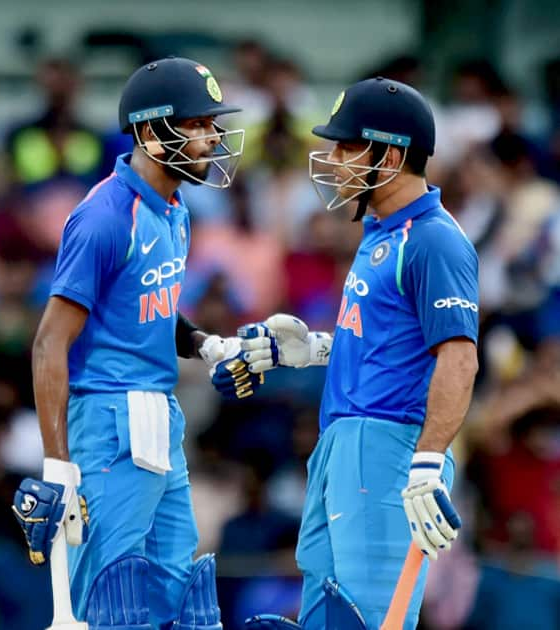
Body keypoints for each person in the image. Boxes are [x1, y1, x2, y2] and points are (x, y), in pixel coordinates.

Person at [11, 56, 263, 630]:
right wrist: (59, 467)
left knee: (177, 594)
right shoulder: (102, 216)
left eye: (211, 124)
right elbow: (50, 343)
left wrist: (202, 344)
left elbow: (150, 305)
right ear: (151, 131)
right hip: (106, 420)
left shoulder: (175, 210)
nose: (212, 138)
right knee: (108, 597)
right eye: (197, 124)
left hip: (160, 416)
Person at [240, 77, 480, 629]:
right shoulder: (380, 233)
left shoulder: (434, 239)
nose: (334, 159)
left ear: (391, 154)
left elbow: (459, 358)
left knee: (369, 618)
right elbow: (390, 343)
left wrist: (425, 466)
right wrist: (314, 349)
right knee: (327, 617)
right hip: (341, 443)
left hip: (387, 448)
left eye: (349, 146)